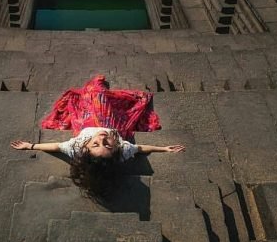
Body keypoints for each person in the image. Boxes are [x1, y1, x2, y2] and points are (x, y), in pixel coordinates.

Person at [11, 75, 184, 200]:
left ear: (85, 149)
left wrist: (30, 146)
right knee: (100, 95)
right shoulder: (122, 150)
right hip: (113, 122)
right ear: (115, 150)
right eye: (107, 145)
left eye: (95, 145)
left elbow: (56, 147)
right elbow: (140, 149)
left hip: (86, 120)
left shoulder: (77, 147)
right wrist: (164, 149)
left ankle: (98, 90)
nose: (102, 137)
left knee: (91, 94)